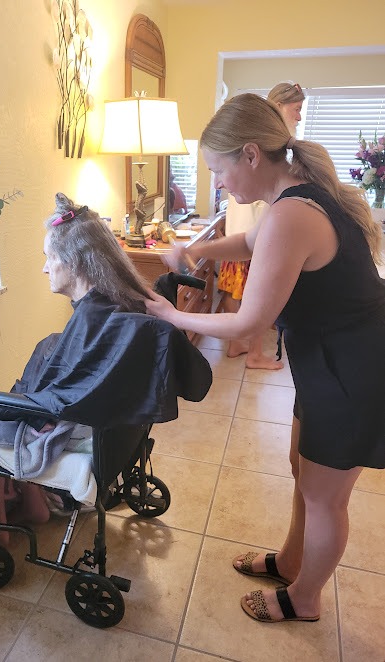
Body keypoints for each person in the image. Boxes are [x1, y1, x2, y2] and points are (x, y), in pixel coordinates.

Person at [146, 92, 385, 623]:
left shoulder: (293, 213)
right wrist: (196, 251)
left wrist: (170, 315)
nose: (219, 183)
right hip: (332, 361)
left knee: (326, 497)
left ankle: (305, 599)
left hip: (355, 370)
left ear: (251, 155)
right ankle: (293, 560)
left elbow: (246, 323)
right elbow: (250, 244)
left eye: (220, 170)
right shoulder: (293, 198)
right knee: (304, 471)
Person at [0, 192, 212, 546]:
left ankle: (1, 530)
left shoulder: (97, 319)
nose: (44, 267)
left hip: (81, 430)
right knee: (14, 404)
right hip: (103, 425)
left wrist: (19, 406)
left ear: (77, 263)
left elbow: (60, 400)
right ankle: (33, 502)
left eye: (49, 258)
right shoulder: (117, 306)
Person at [216, 82, 306, 369]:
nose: (299, 117)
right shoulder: (269, 157)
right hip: (252, 234)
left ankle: (238, 345)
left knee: (234, 291)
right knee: (254, 296)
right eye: (297, 110)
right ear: (280, 107)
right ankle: (253, 353)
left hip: (242, 231)